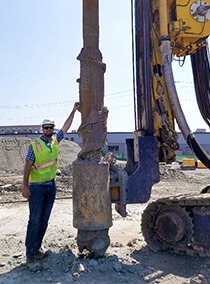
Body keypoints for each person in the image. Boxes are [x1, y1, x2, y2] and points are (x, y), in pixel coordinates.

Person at [22, 102, 80, 267]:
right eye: (46, 127)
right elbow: (27, 166)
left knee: (44, 220)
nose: (48, 130)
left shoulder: (55, 141)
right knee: (34, 220)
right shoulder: (34, 146)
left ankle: (37, 249)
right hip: (37, 188)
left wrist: (73, 111)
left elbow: (66, 128)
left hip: (50, 187)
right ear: (42, 129)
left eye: (51, 128)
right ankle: (30, 255)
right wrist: (24, 186)